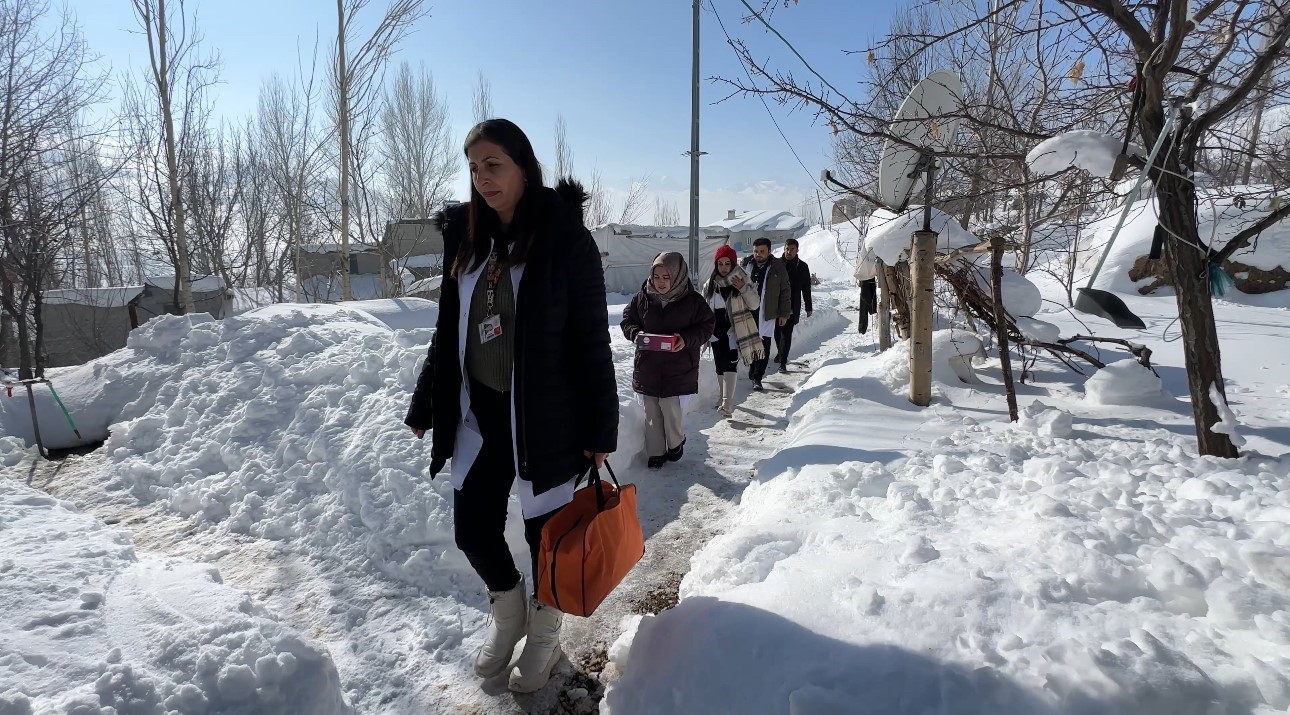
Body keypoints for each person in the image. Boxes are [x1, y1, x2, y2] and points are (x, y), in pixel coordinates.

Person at [403, 119, 618, 694]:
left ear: (524, 166)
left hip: (547, 424)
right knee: (473, 530)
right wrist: (428, 399)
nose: (482, 178)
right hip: (480, 418)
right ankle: (510, 617)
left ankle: (545, 639)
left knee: (548, 543)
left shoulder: (566, 240)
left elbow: (593, 341)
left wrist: (601, 427)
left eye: (493, 164)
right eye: (474, 168)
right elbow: (451, 329)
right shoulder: (467, 238)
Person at [621, 252, 714, 468]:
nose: (660, 282)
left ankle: (675, 443)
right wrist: (636, 333)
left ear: (678, 275)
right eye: (656, 276)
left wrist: (686, 338)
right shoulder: (642, 297)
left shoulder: (693, 300)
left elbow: (707, 325)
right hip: (648, 366)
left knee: (670, 408)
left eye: (666, 277)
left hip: (678, 367)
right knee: (651, 411)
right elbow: (627, 320)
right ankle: (656, 453)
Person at [702, 244, 764, 417]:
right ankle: (722, 397)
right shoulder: (710, 283)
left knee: (730, 364)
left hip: (734, 328)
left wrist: (743, 288)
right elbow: (705, 306)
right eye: (720, 264)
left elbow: (755, 304)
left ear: (733, 263)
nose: (723, 268)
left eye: (727, 263)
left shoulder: (742, 278)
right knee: (719, 365)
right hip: (715, 329)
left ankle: (727, 403)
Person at [740, 237, 792, 391]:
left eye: (762, 251)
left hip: (766, 311)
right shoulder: (746, 265)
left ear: (769, 251)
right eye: (756, 251)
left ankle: (758, 376)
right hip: (748, 311)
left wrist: (784, 313)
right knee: (749, 343)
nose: (758, 254)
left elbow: (785, 291)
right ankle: (752, 368)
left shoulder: (777, 267)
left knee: (763, 344)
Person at [775, 237, 814, 372]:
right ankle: (780, 352)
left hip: (792, 305)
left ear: (797, 250)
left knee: (786, 333)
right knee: (776, 333)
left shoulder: (802, 267)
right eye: (787, 248)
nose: (789, 252)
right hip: (775, 305)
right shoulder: (776, 264)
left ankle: (782, 362)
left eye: (792, 249)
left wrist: (808, 307)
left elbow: (806, 289)